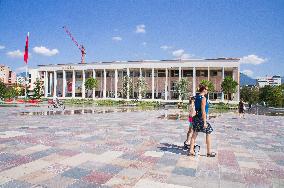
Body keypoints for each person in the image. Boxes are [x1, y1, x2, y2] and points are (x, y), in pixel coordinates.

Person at [189, 84, 216, 157]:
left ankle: (191, 150)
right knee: (208, 131)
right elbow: (203, 111)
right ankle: (209, 152)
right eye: (207, 89)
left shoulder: (196, 97)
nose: (207, 91)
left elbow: (192, 103)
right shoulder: (203, 98)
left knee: (195, 133)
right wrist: (204, 122)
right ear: (204, 90)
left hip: (195, 118)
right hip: (201, 118)